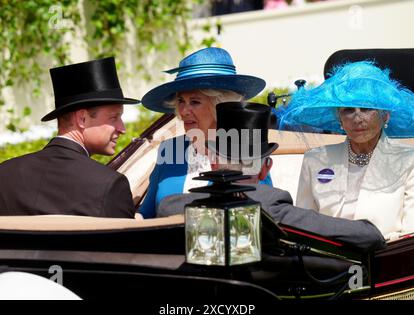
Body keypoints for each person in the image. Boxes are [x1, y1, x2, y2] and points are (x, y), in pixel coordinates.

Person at [157, 102, 386, 252]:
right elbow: (369, 236)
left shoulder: (172, 208)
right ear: (266, 168)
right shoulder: (272, 208)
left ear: (214, 161)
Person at [278, 61, 414, 241]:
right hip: (329, 263)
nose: (357, 118)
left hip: (387, 261)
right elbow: (303, 228)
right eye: (348, 110)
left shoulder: (408, 161)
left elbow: (409, 234)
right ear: (339, 119)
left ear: (385, 115)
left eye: (366, 108)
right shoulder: (315, 160)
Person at [0, 57, 139, 218]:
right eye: (114, 118)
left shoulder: (5, 174)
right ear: (82, 119)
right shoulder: (110, 185)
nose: (122, 129)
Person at [139, 47, 267, 218]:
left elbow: (265, 210)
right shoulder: (169, 149)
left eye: (195, 102)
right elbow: (146, 214)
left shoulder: (246, 149)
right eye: (181, 101)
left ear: (219, 105)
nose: (184, 111)